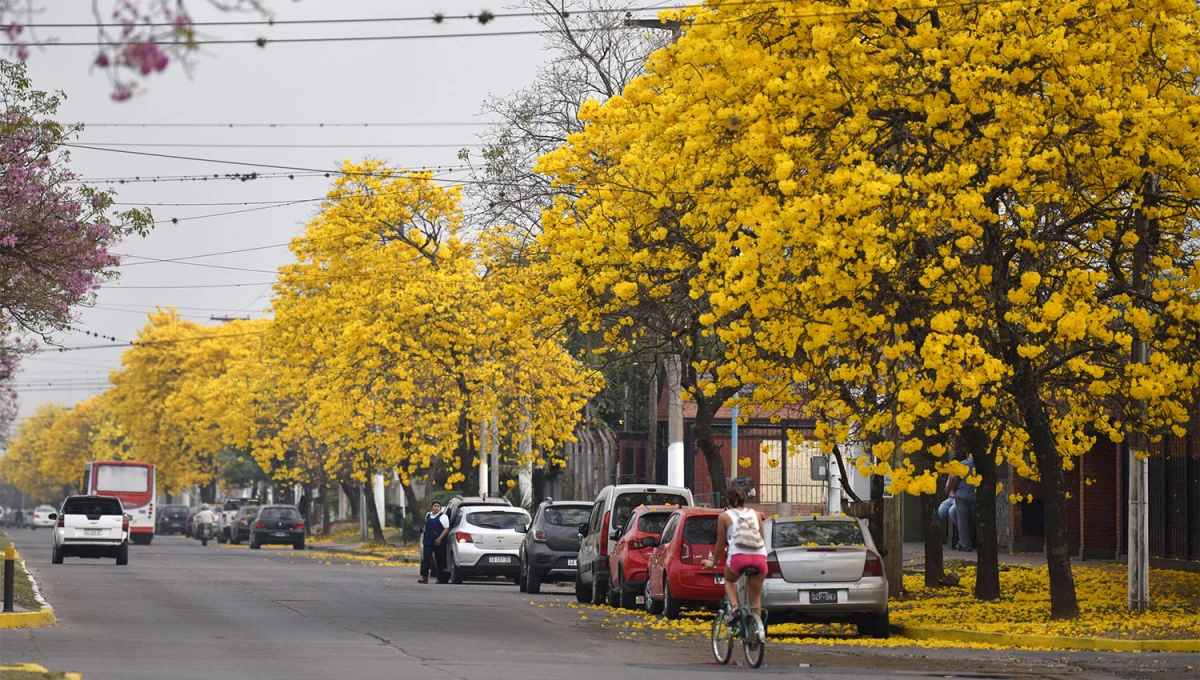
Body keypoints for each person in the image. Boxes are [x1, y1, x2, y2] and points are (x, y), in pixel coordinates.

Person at [702, 487, 767, 623]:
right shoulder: (756, 514)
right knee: (755, 599)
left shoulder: (724, 516)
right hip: (760, 558)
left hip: (739, 558)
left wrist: (713, 563)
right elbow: (762, 538)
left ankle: (735, 608)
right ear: (744, 500)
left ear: (728, 501)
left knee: (730, 580)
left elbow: (720, 544)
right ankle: (757, 633)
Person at [949, 455, 977, 551]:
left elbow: (953, 481)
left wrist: (952, 490)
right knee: (971, 520)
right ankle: (965, 540)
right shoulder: (981, 466)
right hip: (975, 497)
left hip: (962, 496)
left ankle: (965, 543)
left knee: (963, 520)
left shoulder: (963, 464)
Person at [419, 500, 450, 584]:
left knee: (440, 560)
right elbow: (426, 526)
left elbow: (446, 528)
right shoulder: (428, 515)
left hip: (438, 542)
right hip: (428, 541)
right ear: (432, 507)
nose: (436, 508)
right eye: (435, 506)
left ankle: (440, 578)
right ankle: (425, 577)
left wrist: (440, 538)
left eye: (438, 506)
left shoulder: (443, 517)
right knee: (426, 559)